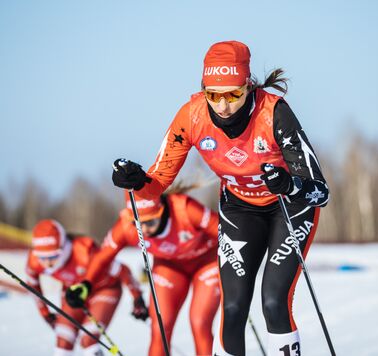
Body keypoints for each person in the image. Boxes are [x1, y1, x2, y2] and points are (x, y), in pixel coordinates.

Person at [109, 40, 330, 355]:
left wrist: (289, 183)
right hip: (240, 209)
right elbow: (155, 184)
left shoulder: (274, 113)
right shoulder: (192, 115)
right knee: (234, 307)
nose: (223, 106)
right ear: (203, 91)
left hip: (289, 208)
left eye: (233, 95)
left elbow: (320, 191)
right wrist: (135, 179)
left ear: (248, 87)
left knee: (273, 301)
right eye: (213, 95)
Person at [67, 187, 220, 356]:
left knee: (200, 322)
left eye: (151, 222)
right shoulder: (126, 226)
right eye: (138, 223)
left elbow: (225, 232)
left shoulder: (184, 208)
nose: (145, 230)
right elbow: (103, 257)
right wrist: (86, 284)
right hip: (170, 267)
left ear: (162, 210)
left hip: (206, 262)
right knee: (160, 325)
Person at [26, 219, 146, 356]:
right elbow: (32, 284)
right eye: (42, 257)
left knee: (88, 339)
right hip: (74, 293)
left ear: (64, 247)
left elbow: (122, 269)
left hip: (105, 289)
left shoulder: (84, 252)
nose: (47, 263)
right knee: (63, 339)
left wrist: (137, 297)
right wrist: (45, 313)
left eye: (53, 256)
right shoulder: (35, 261)